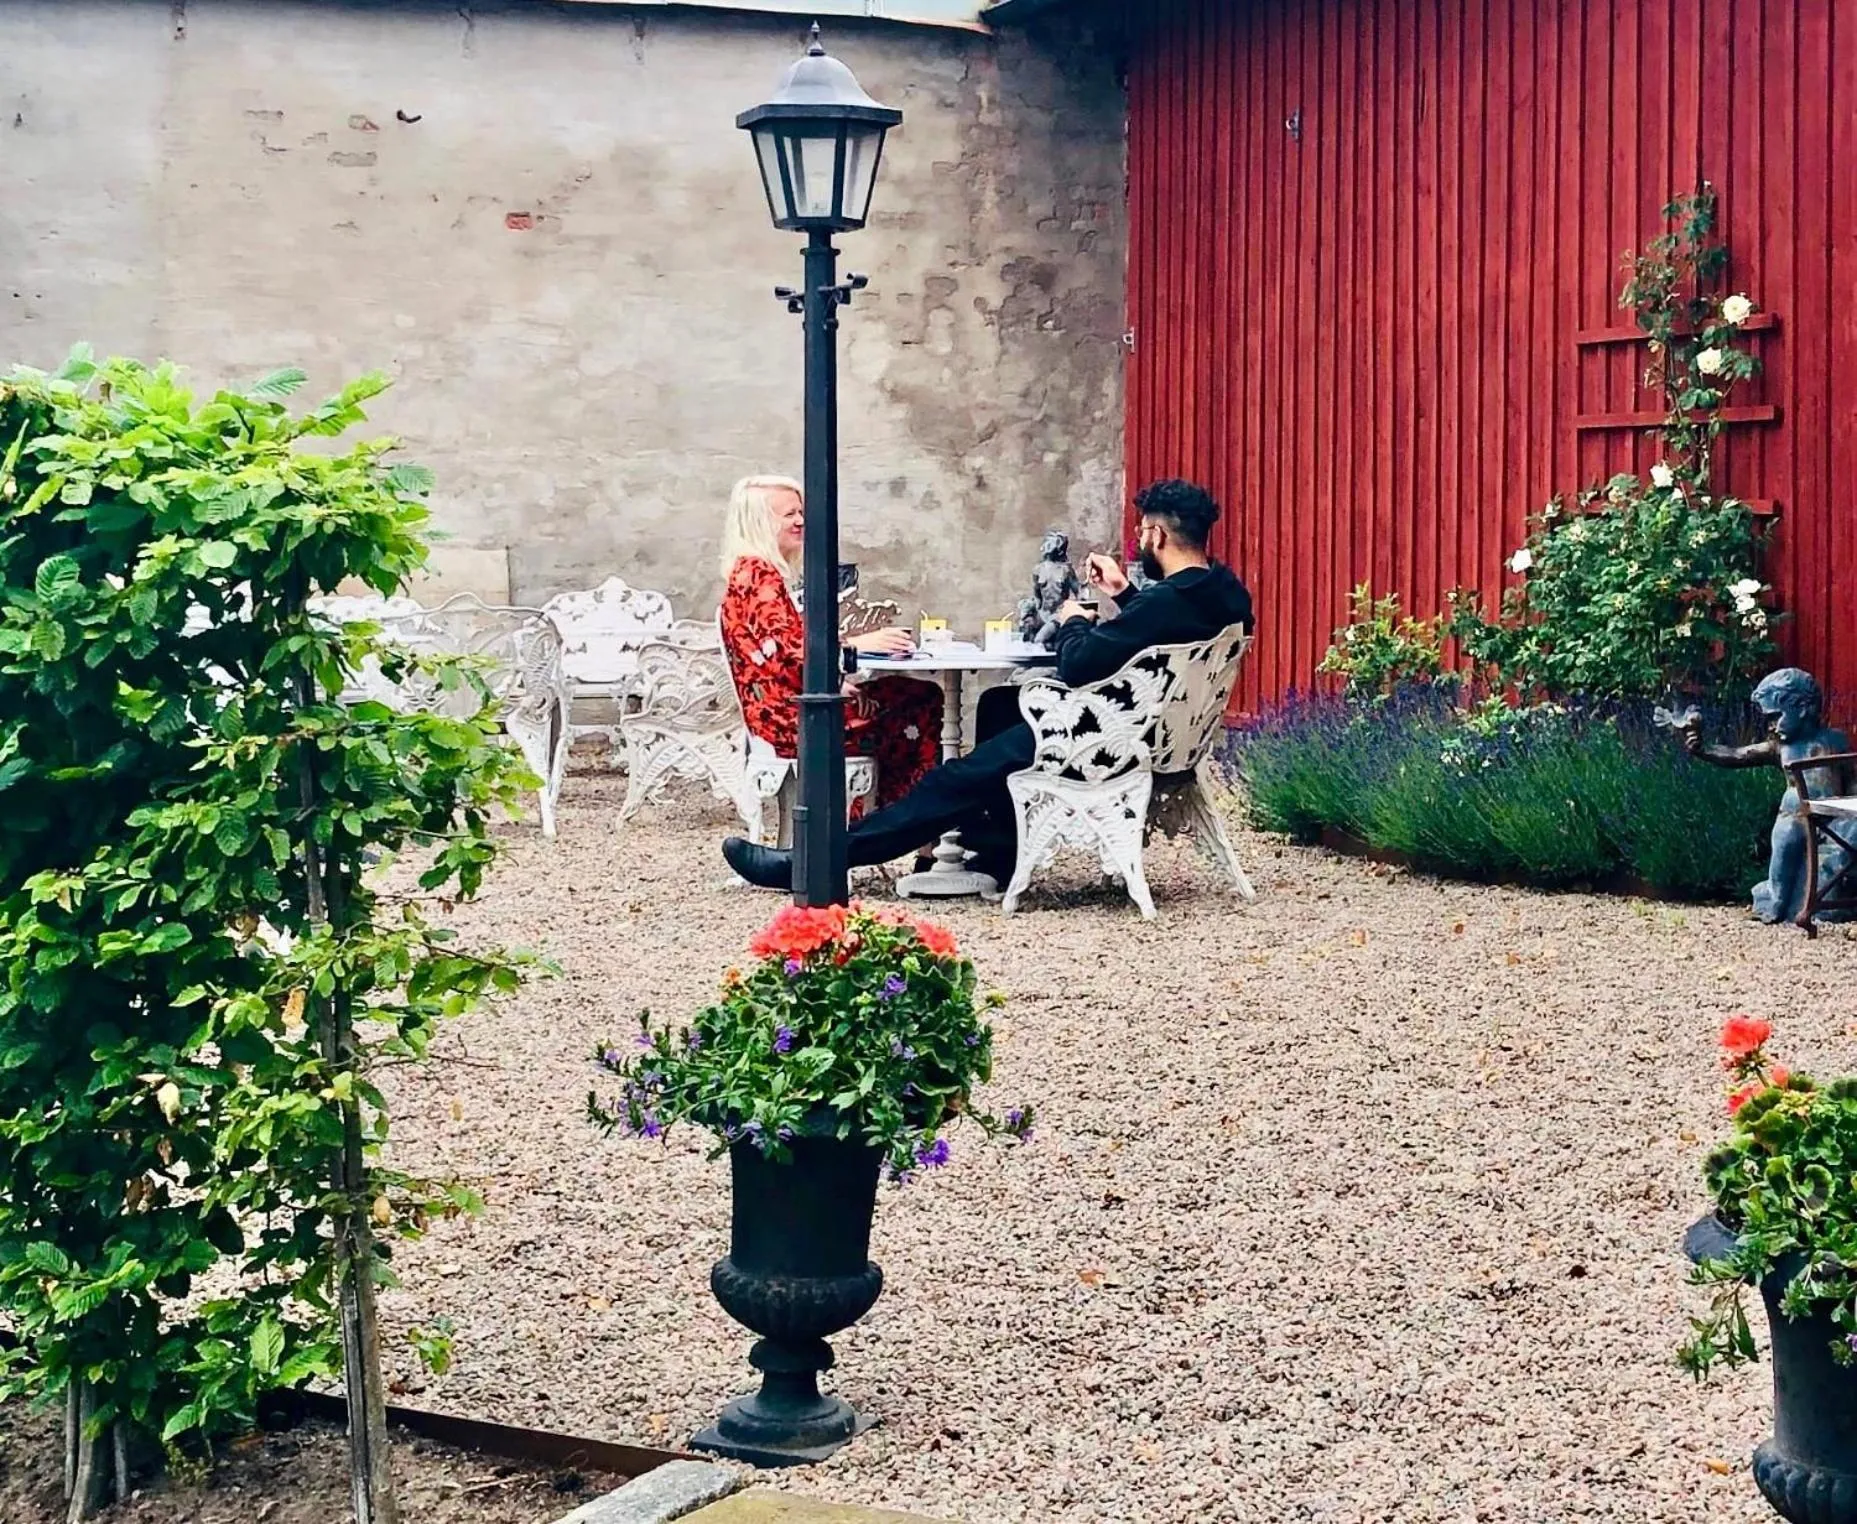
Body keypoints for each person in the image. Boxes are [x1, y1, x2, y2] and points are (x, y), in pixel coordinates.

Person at [722, 477, 1255, 890]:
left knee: (951, 780)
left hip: (1097, 738)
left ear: (1157, 535)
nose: (1140, 541)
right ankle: (995, 847)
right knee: (1002, 702)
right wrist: (1124, 594)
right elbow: (1158, 630)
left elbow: (1077, 664)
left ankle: (816, 865)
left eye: (1143, 532)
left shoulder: (1164, 603)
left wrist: (1073, 616)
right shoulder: (1223, 593)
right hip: (1151, 731)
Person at [717, 474, 942, 810]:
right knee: (921, 699)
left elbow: (781, 656)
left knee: (902, 696)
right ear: (761, 522)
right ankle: (899, 829)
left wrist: (837, 682)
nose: (800, 521)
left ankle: (885, 823)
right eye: (789, 514)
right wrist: (861, 646)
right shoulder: (760, 575)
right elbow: (793, 654)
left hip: (784, 711)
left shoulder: (751, 572)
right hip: (795, 721)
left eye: (800, 512)